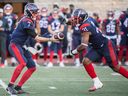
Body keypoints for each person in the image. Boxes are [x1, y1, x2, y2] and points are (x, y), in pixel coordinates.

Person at [70, 8, 128, 92]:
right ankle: (97, 83)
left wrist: (74, 52)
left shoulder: (85, 27)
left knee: (116, 67)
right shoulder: (89, 18)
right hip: (97, 46)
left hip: (106, 45)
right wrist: (66, 22)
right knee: (86, 61)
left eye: (76, 18)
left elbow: (83, 45)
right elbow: (97, 26)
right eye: (74, 18)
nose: (74, 20)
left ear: (82, 18)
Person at [6, 3, 58, 95]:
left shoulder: (30, 20)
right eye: (34, 12)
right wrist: (51, 39)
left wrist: (37, 22)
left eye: (36, 12)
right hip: (15, 45)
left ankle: (18, 87)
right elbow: (37, 37)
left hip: (22, 45)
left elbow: (38, 32)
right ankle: (10, 86)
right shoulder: (26, 21)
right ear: (29, 12)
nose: (36, 14)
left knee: (32, 67)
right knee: (22, 63)